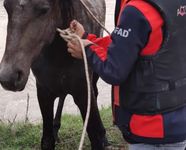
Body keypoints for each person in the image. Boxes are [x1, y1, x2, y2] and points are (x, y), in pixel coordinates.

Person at [64, 0, 186, 149]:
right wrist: (88, 38)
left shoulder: (137, 10)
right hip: (178, 118)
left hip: (150, 127)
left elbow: (114, 71)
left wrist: (87, 51)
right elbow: (128, 43)